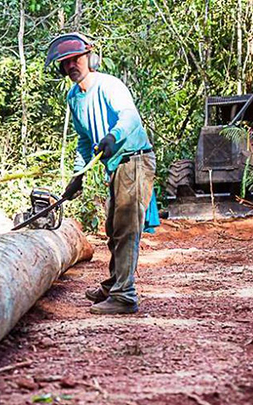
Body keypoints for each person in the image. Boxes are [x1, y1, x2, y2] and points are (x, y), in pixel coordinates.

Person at [45, 32, 159, 315]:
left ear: (90, 58)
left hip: (134, 159)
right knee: (113, 228)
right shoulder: (74, 97)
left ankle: (125, 296)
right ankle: (114, 284)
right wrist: (78, 176)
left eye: (76, 59)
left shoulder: (109, 85)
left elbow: (130, 118)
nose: (71, 65)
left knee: (126, 229)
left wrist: (112, 136)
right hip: (115, 165)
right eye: (66, 62)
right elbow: (84, 140)